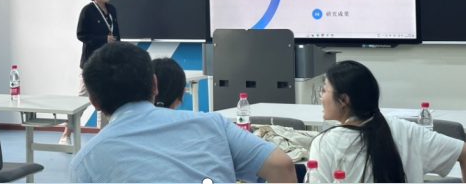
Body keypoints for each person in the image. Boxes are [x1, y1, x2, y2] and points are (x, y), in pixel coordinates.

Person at [69, 42, 297, 183]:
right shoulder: (212, 124)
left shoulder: (84, 163)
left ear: (94, 102)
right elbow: (282, 165)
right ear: (154, 85)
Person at [309, 60, 466, 183]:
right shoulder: (405, 129)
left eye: (323, 90)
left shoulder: (325, 142)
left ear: (343, 100)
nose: (321, 96)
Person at [60, 0, 121, 145]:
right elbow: (81, 35)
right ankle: (66, 134)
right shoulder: (88, 11)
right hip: (91, 63)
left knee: (105, 100)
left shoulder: (112, 10)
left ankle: (103, 137)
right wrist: (103, 39)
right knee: (82, 99)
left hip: (108, 62)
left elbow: (117, 33)